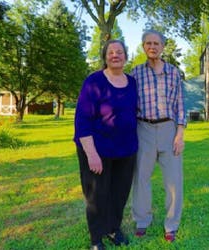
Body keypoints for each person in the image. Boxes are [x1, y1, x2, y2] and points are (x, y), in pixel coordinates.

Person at [74, 39, 138, 250]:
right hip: (97, 148)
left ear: (125, 57)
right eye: (110, 52)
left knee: (119, 193)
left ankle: (113, 229)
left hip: (125, 148)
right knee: (96, 195)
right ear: (105, 57)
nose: (115, 55)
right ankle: (96, 239)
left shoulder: (132, 82)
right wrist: (91, 153)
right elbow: (82, 120)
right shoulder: (94, 81)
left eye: (119, 52)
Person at [130, 29, 186, 243]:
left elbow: (180, 104)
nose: (152, 47)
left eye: (156, 43)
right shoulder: (135, 73)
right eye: (147, 43)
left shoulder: (174, 72)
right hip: (143, 129)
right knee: (141, 178)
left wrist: (180, 134)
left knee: (173, 180)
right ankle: (142, 220)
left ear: (163, 46)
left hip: (168, 129)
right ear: (143, 47)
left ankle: (171, 225)